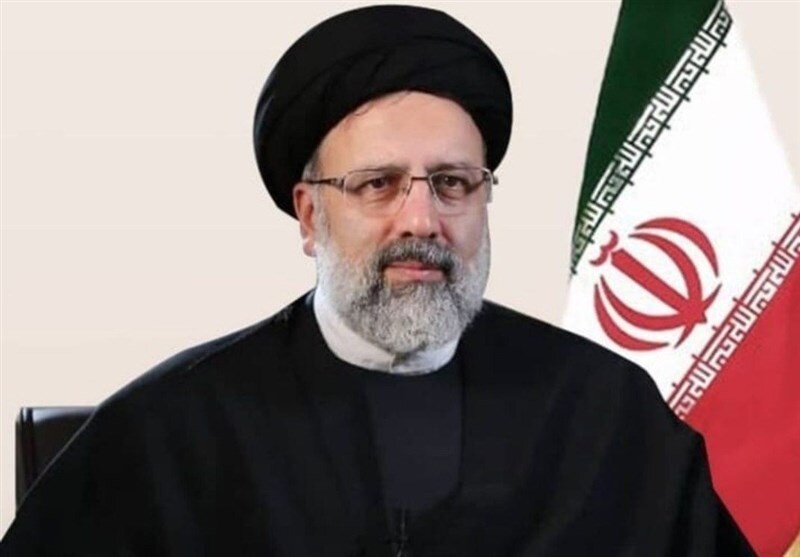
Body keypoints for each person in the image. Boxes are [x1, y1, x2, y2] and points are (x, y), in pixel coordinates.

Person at [1, 5, 754, 556]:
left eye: (453, 182)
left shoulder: (607, 416)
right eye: (377, 184)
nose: (421, 219)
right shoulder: (171, 433)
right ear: (309, 214)